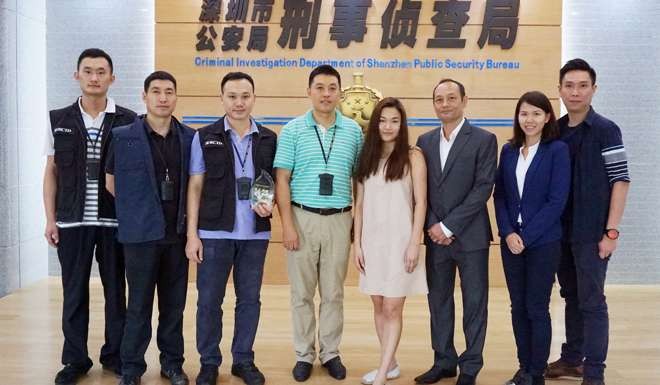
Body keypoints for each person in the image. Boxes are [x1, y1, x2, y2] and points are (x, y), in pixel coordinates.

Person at [43, 48, 135, 385]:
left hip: (115, 223)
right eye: (88, 71)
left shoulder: (128, 120)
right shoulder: (59, 120)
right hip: (72, 222)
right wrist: (51, 219)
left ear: (112, 77)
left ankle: (115, 356)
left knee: (116, 293)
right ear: (77, 75)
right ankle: (75, 360)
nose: (94, 77)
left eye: (101, 72)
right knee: (74, 292)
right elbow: (51, 172)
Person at [185, 72, 277, 385]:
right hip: (213, 235)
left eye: (245, 96)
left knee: (249, 300)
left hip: (255, 235)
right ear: (222, 98)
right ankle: (209, 362)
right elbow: (195, 187)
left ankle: (243, 360)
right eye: (232, 96)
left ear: (254, 98)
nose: (239, 103)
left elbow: (272, 184)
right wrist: (191, 235)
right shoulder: (204, 136)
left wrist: (271, 204)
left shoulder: (267, 138)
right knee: (209, 301)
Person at [273, 65, 364, 382]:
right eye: (320, 87)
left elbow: (360, 180)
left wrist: (358, 225)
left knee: (333, 293)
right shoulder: (293, 130)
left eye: (332, 88)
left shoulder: (353, 131)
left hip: (340, 219)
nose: (326, 94)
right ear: (309, 90)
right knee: (301, 293)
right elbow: (281, 179)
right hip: (302, 217)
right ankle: (303, 355)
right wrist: (287, 225)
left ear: (340, 92)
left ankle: (330, 353)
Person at [105, 71, 194, 385]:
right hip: (139, 235)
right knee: (139, 305)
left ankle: (172, 364)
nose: (163, 97)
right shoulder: (124, 135)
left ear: (175, 96)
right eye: (156, 91)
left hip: (177, 235)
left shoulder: (189, 137)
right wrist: (139, 208)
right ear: (144, 96)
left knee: (174, 306)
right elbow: (111, 182)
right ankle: (131, 367)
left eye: (169, 91)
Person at [545, 59, 631, 385]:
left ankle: (594, 373)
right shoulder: (556, 131)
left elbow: (620, 180)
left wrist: (611, 231)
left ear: (593, 89)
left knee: (593, 301)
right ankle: (571, 359)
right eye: (569, 86)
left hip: (592, 233)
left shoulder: (607, 130)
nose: (575, 92)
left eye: (583, 86)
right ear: (560, 90)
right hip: (560, 233)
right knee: (571, 295)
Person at [414, 79, 497, 385]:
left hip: (471, 236)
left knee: (475, 301)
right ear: (433, 103)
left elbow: (483, 187)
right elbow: (422, 190)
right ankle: (444, 360)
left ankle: (471, 366)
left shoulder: (484, 139)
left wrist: (449, 225)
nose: (445, 104)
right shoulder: (423, 141)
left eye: (451, 98)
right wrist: (435, 225)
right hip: (435, 237)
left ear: (465, 100)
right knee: (439, 299)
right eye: (439, 99)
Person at [493, 91, 571, 385]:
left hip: (543, 242)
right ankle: (523, 366)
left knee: (537, 307)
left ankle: (536, 371)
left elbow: (557, 201)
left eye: (536, 113)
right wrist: (508, 232)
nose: (530, 119)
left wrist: (526, 236)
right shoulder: (509, 150)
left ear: (547, 117)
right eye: (524, 113)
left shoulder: (557, 150)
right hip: (511, 242)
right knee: (517, 307)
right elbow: (500, 195)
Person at [353, 97, 428, 385]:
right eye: (383, 120)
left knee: (393, 306)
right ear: (375, 124)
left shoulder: (413, 156)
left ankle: (382, 374)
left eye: (394, 120)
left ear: (402, 124)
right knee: (378, 303)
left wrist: (414, 243)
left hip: (400, 242)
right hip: (372, 242)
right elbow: (359, 205)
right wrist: (356, 244)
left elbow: (421, 203)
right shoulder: (367, 157)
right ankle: (391, 362)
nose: (388, 126)